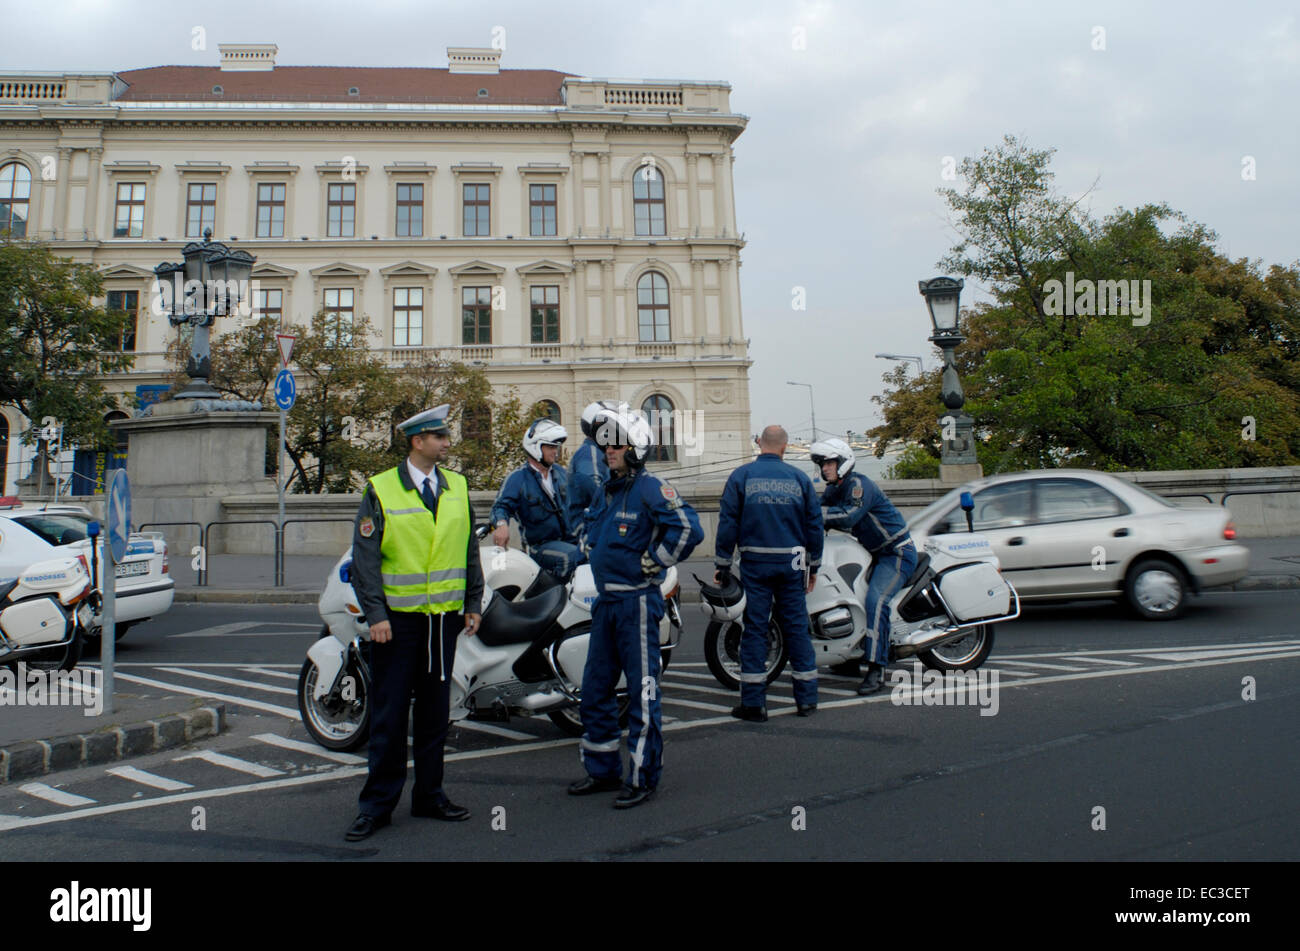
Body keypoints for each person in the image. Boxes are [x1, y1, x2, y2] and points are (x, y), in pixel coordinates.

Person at [344, 404, 484, 842]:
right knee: (388, 715)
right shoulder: (381, 489)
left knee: (433, 713)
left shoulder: (457, 487)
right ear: (417, 442)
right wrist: (376, 615)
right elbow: (365, 559)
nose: (446, 442)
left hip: (441, 623)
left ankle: (430, 795)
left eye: (445, 436)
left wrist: (473, 601)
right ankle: (376, 806)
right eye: (439, 437)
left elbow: (467, 551)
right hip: (398, 624)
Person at [567, 407, 702, 809]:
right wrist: (590, 544)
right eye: (605, 442)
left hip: (637, 603)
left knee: (643, 695)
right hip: (608, 603)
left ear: (636, 449)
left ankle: (642, 778)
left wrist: (655, 560)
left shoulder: (650, 487)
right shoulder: (611, 488)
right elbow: (589, 526)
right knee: (594, 689)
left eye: (616, 443)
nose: (607, 450)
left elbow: (689, 528)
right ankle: (603, 771)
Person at [714, 425, 824, 721]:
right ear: (785, 448)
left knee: (755, 630)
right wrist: (814, 567)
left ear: (759, 443)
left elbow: (728, 523)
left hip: (755, 564)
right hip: (792, 565)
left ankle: (754, 704)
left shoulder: (742, 477)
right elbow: (815, 526)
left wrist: (722, 565)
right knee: (797, 629)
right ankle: (807, 700)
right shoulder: (800, 479)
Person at [809, 437, 916, 696]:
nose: (825, 468)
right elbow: (818, 511)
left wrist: (812, 516)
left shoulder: (859, 486)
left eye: (830, 463)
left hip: (896, 553)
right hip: (872, 554)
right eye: (822, 464)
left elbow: (848, 516)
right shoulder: (836, 488)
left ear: (843, 463)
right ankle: (849, 658)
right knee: (847, 597)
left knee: (875, 601)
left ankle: (876, 668)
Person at [490, 418, 581, 583]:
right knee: (570, 557)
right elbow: (500, 507)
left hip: (569, 540)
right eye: (551, 447)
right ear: (536, 447)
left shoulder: (560, 474)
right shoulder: (518, 478)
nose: (556, 452)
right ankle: (553, 600)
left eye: (556, 447)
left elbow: (580, 502)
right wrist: (502, 525)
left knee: (596, 552)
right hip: (540, 546)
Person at [567, 399, 628, 531]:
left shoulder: (600, 452)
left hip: (598, 523)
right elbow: (592, 485)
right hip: (587, 527)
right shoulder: (590, 453)